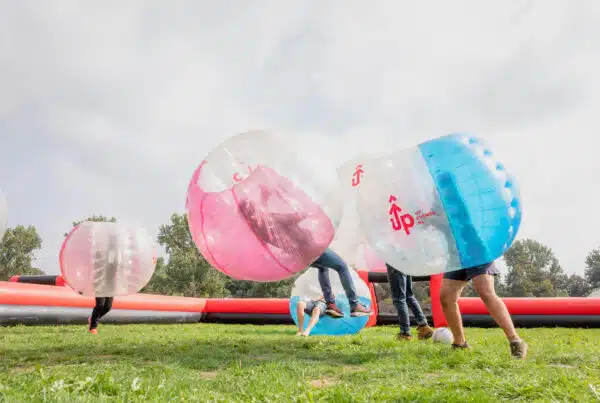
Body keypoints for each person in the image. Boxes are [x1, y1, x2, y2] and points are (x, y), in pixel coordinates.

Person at [237, 176, 371, 318]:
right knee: (341, 267)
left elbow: (268, 212)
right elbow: (296, 217)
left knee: (322, 268)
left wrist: (265, 194)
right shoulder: (271, 220)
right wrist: (306, 210)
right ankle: (354, 305)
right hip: (309, 247)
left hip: (300, 255)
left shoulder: (259, 229)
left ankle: (330, 304)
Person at [439, 261, 528, 358]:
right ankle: (460, 344)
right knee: (446, 298)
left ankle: (515, 340)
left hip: (478, 254)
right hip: (457, 256)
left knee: (486, 292)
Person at [386, 263, 434, 340]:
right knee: (409, 296)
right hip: (406, 262)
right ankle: (424, 326)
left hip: (395, 262)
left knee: (399, 299)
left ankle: (405, 333)